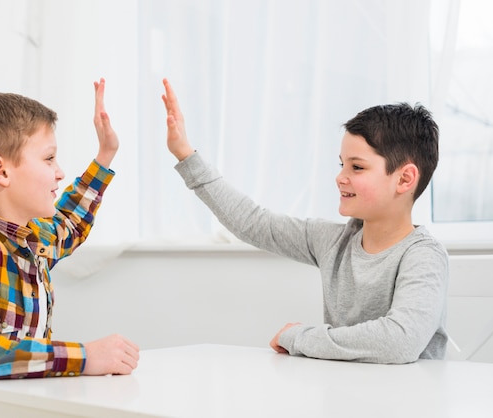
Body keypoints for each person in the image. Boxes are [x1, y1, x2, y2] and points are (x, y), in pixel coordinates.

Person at [161, 78, 448, 364]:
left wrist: (298, 336)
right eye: (342, 164)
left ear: (405, 179)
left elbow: (399, 341)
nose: (340, 177)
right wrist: (185, 155)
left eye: (357, 167)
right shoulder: (333, 241)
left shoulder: (423, 255)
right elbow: (252, 222)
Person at [0, 79, 139, 417]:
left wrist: (105, 154)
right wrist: (83, 357)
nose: (59, 172)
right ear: (1, 170)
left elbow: (70, 223)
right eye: (49, 158)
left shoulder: (30, 238)